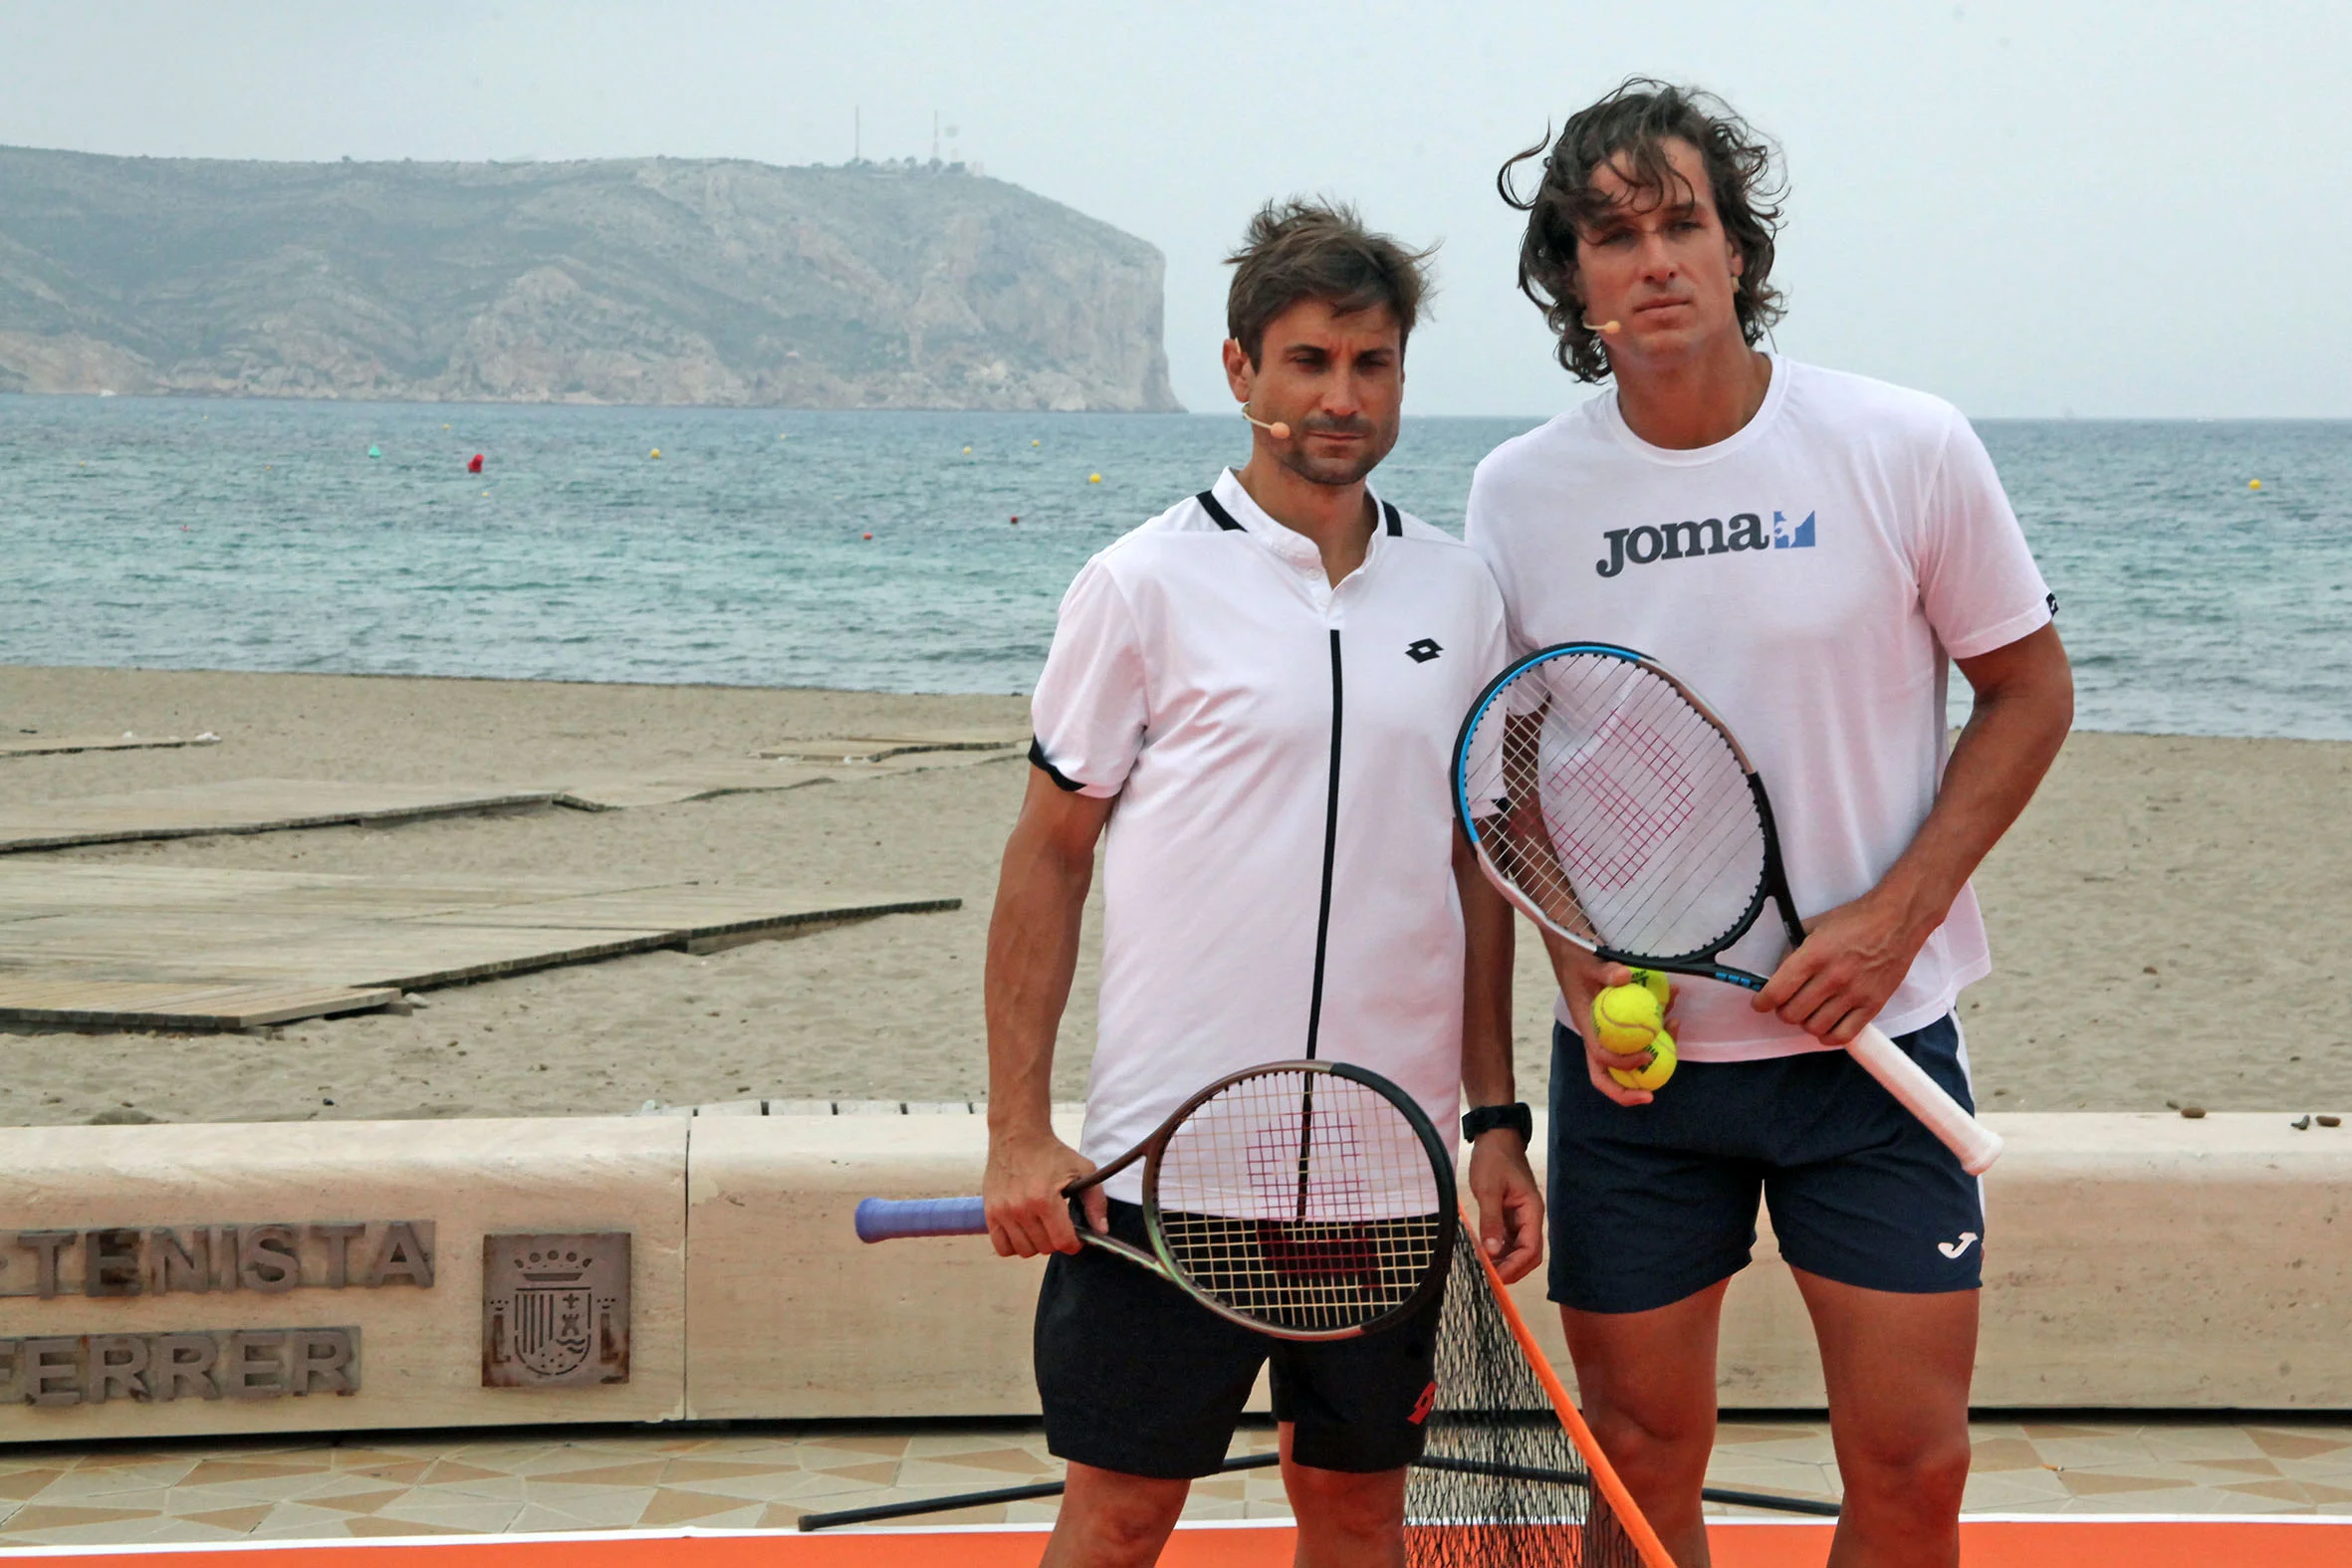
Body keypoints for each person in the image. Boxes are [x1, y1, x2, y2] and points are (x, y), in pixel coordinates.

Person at [1463, 82, 2075, 1568]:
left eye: (1682, 221)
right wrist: (1573, 981)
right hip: (1639, 1091)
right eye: (1612, 235)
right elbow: (1507, 791)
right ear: (1571, 278)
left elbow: (2028, 691)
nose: (1653, 259)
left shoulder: (1901, 442)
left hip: (1875, 1056)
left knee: (1910, 1467)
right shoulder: (1516, 495)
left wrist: (1893, 917)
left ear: (1737, 248)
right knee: (1637, 1468)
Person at [983, 198, 1542, 1568]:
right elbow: (1048, 857)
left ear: (1401, 377)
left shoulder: (1459, 594)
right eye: (1306, 361)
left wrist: (1493, 1119)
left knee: (1355, 1509)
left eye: (1368, 364)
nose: (1338, 396)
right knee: (1117, 1516)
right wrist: (1017, 1131)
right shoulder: (1138, 585)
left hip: (1385, 1178)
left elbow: (1475, 872)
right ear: (1241, 371)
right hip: (1165, 1173)